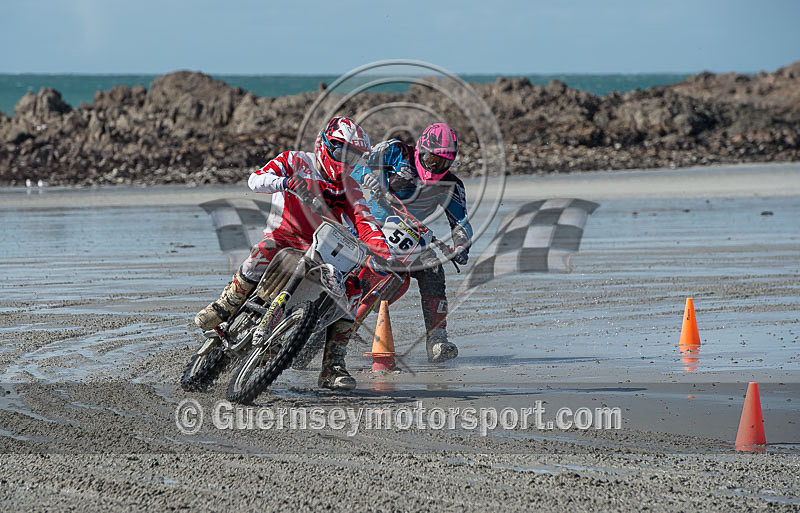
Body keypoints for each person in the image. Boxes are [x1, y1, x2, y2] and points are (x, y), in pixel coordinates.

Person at [195, 116, 394, 390]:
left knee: (353, 288)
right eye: (342, 153)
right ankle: (226, 304)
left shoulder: (351, 186)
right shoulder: (295, 160)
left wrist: (383, 252)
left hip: (322, 248)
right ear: (325, 144)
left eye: (353, 157)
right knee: (263, 250)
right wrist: (285, 182)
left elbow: (365, 220)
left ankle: (333, 365)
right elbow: (255, 180)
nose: (346, 162)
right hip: (284, 236)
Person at [352, 122, 472, 363]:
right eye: (432, 159)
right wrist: (368, 177)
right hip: (370, 225)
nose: (435, 166)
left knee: (433, 268)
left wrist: (461, 246)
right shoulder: (395, 151)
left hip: (411, 237)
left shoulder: (452, 186)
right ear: (420, 150)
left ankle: (437, 338)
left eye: (443, 163)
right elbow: (354, 164)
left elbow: (461, 222)